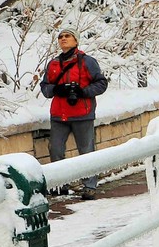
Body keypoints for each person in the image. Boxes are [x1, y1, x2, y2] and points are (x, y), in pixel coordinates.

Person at [40, 28, 108, 198]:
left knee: (86, 151)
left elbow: (101, 84)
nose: (63, 39)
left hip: (82, 113)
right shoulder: (53, 64)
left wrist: (82, 91)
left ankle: (89, 186)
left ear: (76, 41)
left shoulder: (87, 62)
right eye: (60, 37)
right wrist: (57, 89)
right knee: (55, 149)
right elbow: (45, 88)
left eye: (67, 36)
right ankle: (60, 184)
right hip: (59, 114)